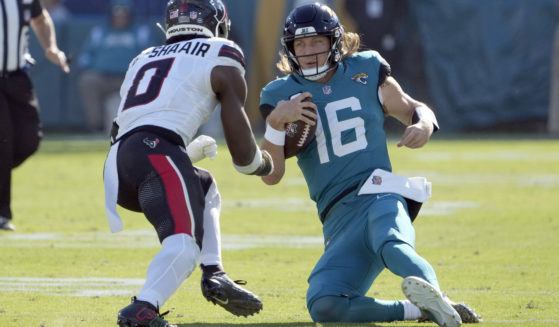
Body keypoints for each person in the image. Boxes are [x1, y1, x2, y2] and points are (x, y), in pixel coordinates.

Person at [259, 3, 480, 326]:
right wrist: (277, 122)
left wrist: (424, 125)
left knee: (391, 244)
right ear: (290, 48)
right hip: (337, 217)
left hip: (379, 191)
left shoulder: (365, 69)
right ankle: (422, 310)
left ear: (334, 42)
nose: (308, 51)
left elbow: (413, 108)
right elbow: (271, 175)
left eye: (316, 42)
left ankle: (438, 298)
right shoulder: (279, 94)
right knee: (324, 306)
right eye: (300, 44)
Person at [102, 0, 273, 325]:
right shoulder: (220, 50)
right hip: (157, 149)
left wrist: (181, 156)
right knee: (183, 245)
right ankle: (143, 308)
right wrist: (262, 164)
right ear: (217, 23)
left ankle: (215, 273)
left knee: (204, 184)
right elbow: (243, 156)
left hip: (118, 162)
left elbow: (127, 123)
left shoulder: (143, 57)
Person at [0, 0, 70, 231]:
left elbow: (40, 19)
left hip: (18, 75)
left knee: (29, 139)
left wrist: (51, 47)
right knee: (3, 142)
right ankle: (1, 214)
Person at [78, 0, 155, 133]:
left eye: (124, 15)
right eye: (116, 15)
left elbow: (153, 55)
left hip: (131, 78)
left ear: (130, 15)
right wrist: (92, 65)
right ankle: (95, 126)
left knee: (148, 80)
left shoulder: (141, 31)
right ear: (111, 16)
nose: (120, 18)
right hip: (104, 78)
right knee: (88, 80)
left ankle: (144, 125)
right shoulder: (100, 31)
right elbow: (85, 56)